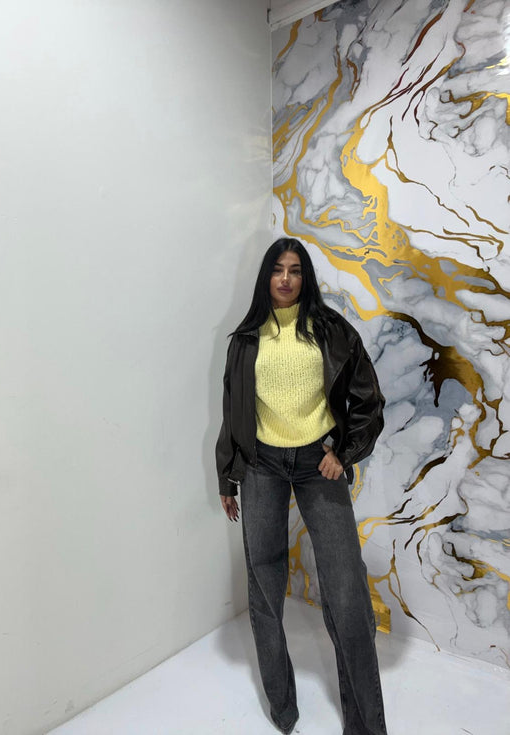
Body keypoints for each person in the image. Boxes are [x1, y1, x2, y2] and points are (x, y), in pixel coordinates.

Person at [215, 237, 388, 735]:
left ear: (305, 277)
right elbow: (232, 411)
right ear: (266, 277)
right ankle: (284, 710)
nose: (286, 278)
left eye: (295, 269)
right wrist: (227, 475)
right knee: (265, 584)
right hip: (261, 466)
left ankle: (365, 726)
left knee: (346, 589)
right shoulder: (245, 340)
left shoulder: (332, 331)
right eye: (277, 269)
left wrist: (343, 453)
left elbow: (369, 402)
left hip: (318, 463)